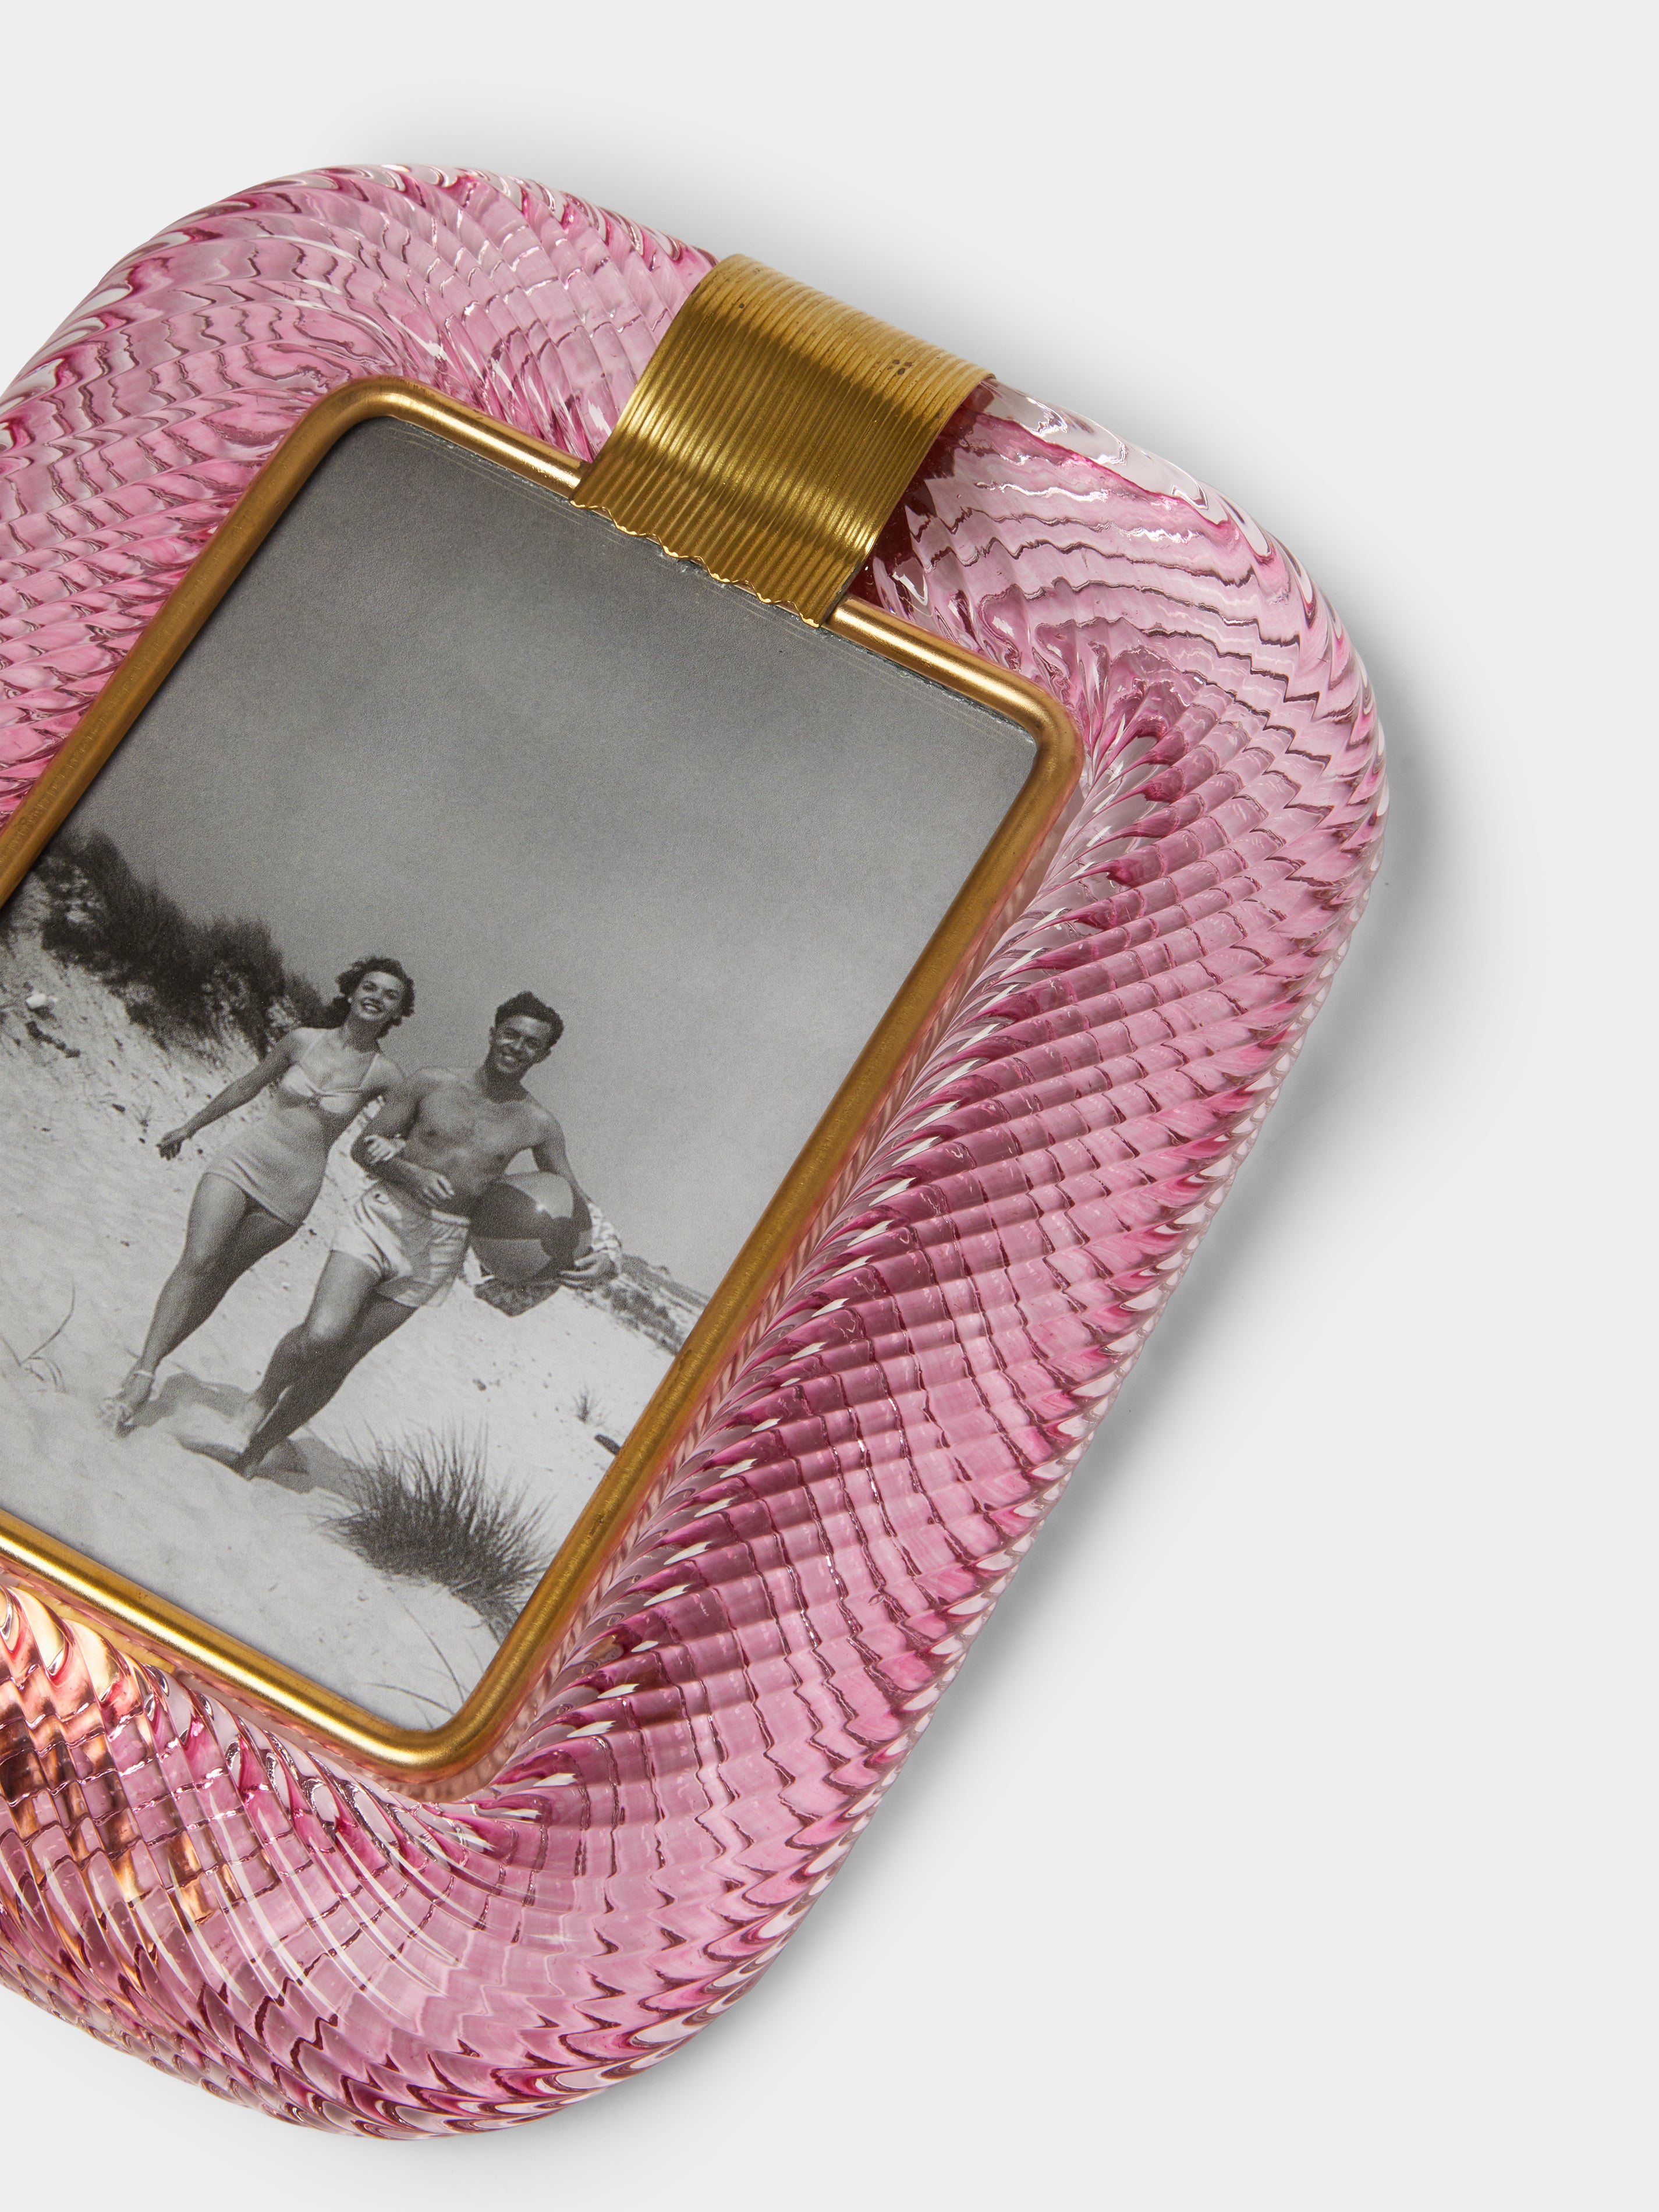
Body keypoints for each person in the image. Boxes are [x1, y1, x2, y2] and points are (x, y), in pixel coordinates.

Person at [216, 991, 619, 1476]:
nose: (517, 1047)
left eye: (532, 1043)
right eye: (511, 1034)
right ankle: (260, 1400)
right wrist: (409, 1173)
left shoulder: (538, 1124)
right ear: (493, 1033)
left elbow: (574, 1199)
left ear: (544, 1055)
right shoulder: (432, 1082)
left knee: (344, 1358)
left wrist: (608, 1252)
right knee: (323, 1334)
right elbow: (365, 1147)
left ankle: (258, 1453)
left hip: (441, 1246)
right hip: (383, 1216)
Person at [101, 956, 416, 1434]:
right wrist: (190, 1126)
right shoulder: (302, 1040)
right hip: (243, 1161)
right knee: (199, 1260)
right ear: (352, 991)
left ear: (397, 1013)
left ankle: (150, 1359)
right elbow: (247, 1085)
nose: (377, 998)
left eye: (390, 996)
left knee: (220, 1278)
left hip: (293, 1190)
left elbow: (412, 1131)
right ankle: (143, 1374)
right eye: (370, 987)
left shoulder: (387, 1075)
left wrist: (397, 1147)